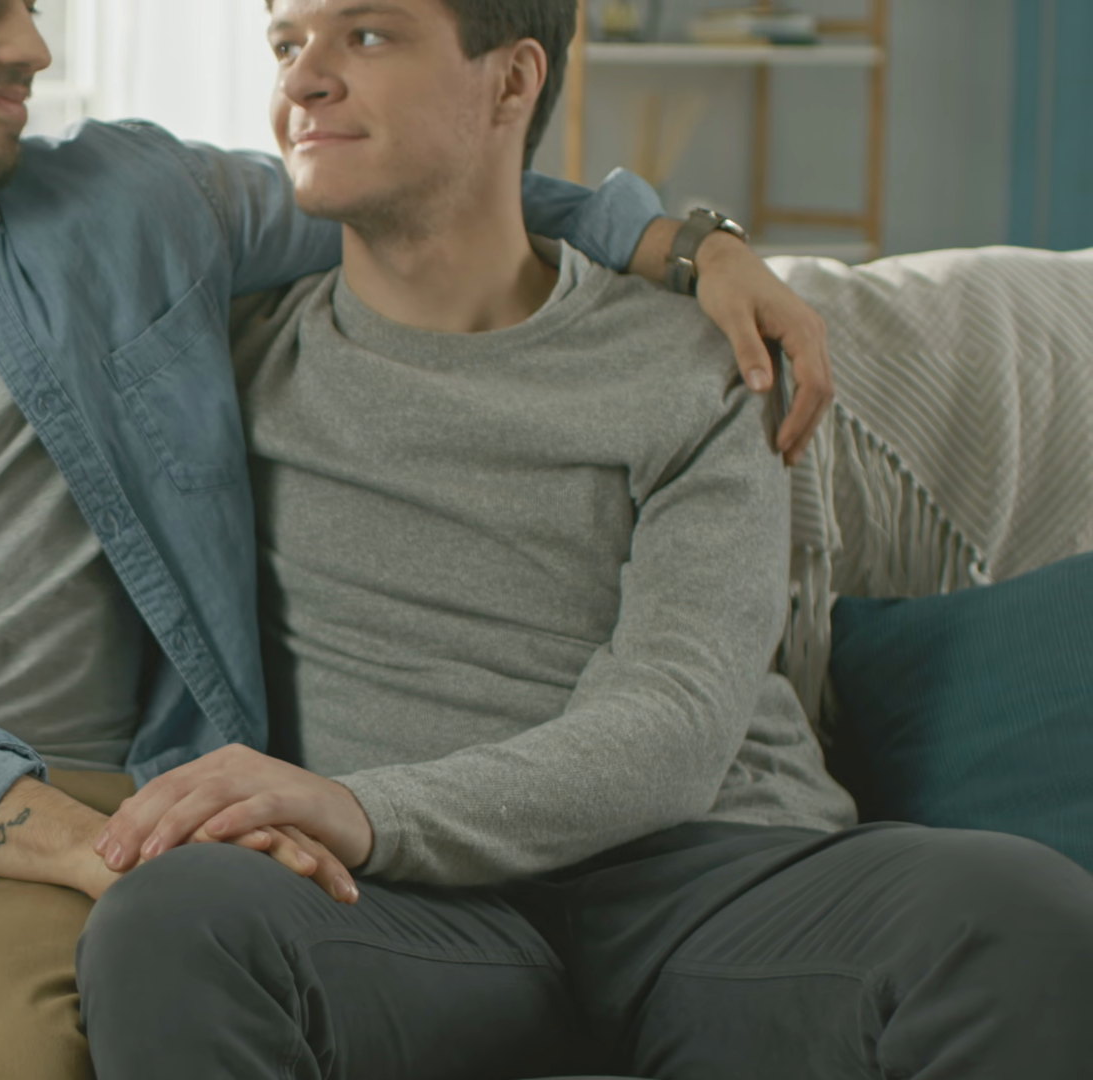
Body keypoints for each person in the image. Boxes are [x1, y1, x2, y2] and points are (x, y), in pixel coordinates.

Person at [0, 2, 836, 1079]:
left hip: (84, 790)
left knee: (34, 1053)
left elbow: (422, 177)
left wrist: (689, 245)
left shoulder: (127, 205)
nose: (32, 46)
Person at [76, 2, 1093, 1077]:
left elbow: (678, 717)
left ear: (513, 81)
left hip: (709, 880)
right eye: (288, 44)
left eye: (367, 36)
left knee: (1016, 910)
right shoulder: (220, 376)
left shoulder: (702, 359)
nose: (303, 80)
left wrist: (364, 808)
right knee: (167, 921)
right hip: (404, 912)